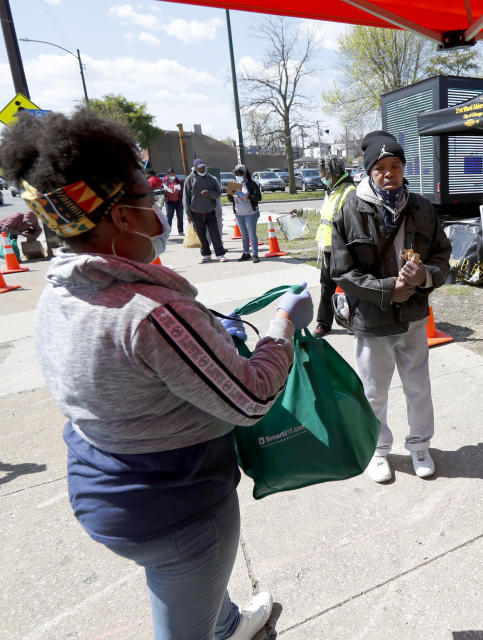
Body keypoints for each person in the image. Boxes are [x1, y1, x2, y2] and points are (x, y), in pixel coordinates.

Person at [1, 108, 315, 640]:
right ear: (120, 216)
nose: (160, 209)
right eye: (148, 196)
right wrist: (281, 326)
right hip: (176, 507)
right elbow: (250, 398)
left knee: (182, 585)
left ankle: (229, 621)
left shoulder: (62, 290)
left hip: (108, 488)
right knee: (182, 607)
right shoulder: (150, 312)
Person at [330, 130, 452, 483]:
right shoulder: (351, 210)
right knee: (373, 392)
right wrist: (387, 289)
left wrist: (423, 277)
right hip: (372, 321)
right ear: (369, 171)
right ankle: (377, 450)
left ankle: (419, 445)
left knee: (419, 388)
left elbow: (443, 257)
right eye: (380, 167)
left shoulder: (422, 208)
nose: (389, 173)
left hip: (414, 319)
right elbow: (341, 270)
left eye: (395, 165)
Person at [313, 155, 356, 337]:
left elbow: (353, 223)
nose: (320, 175)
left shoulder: (349, 191)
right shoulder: (330, 190)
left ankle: (354, 322)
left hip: (343, 249)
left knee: (350, 287)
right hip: (327, 249)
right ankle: (324, 323)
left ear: (331, 173)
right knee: (326, 286)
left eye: (322, 172)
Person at [184, 157, 227, 263]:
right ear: (195, 168)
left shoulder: (211, 179)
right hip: (196, 213)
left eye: (203, 167)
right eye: (199, 168)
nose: (202, 169)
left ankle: (220, 254)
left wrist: (209, 194)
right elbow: (186, 198)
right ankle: (206, 254)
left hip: (210, 211)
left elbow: (218, 194)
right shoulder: (189, 179)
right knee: (201, 235)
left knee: (215, 234)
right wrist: (188, 213)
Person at [227, 164, 262, 263]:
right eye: (236, 173)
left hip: (250, 213)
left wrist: (249, 196)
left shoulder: (251, 183)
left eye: (240, 173)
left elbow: (258, 197)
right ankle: (246, 253)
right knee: (244, 235)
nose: (238, 175)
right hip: (239, 213)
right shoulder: (234, 184)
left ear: (245, 173)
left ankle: (255, 254)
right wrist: (230, 192)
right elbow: (230, 199)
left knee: (252, 234)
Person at [162, 168, 184, 235]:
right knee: (169, 216)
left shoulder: (179, 181)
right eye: (171, 174)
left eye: (173, 174)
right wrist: (164, 191)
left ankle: (181, 231)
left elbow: (183, 189)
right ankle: (168, 231)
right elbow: (161, 189)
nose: (172, 176)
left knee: (180, 216)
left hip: (178, 201)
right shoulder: (164, 181)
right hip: (169, 201)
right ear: (168, 175)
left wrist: (179, 191)